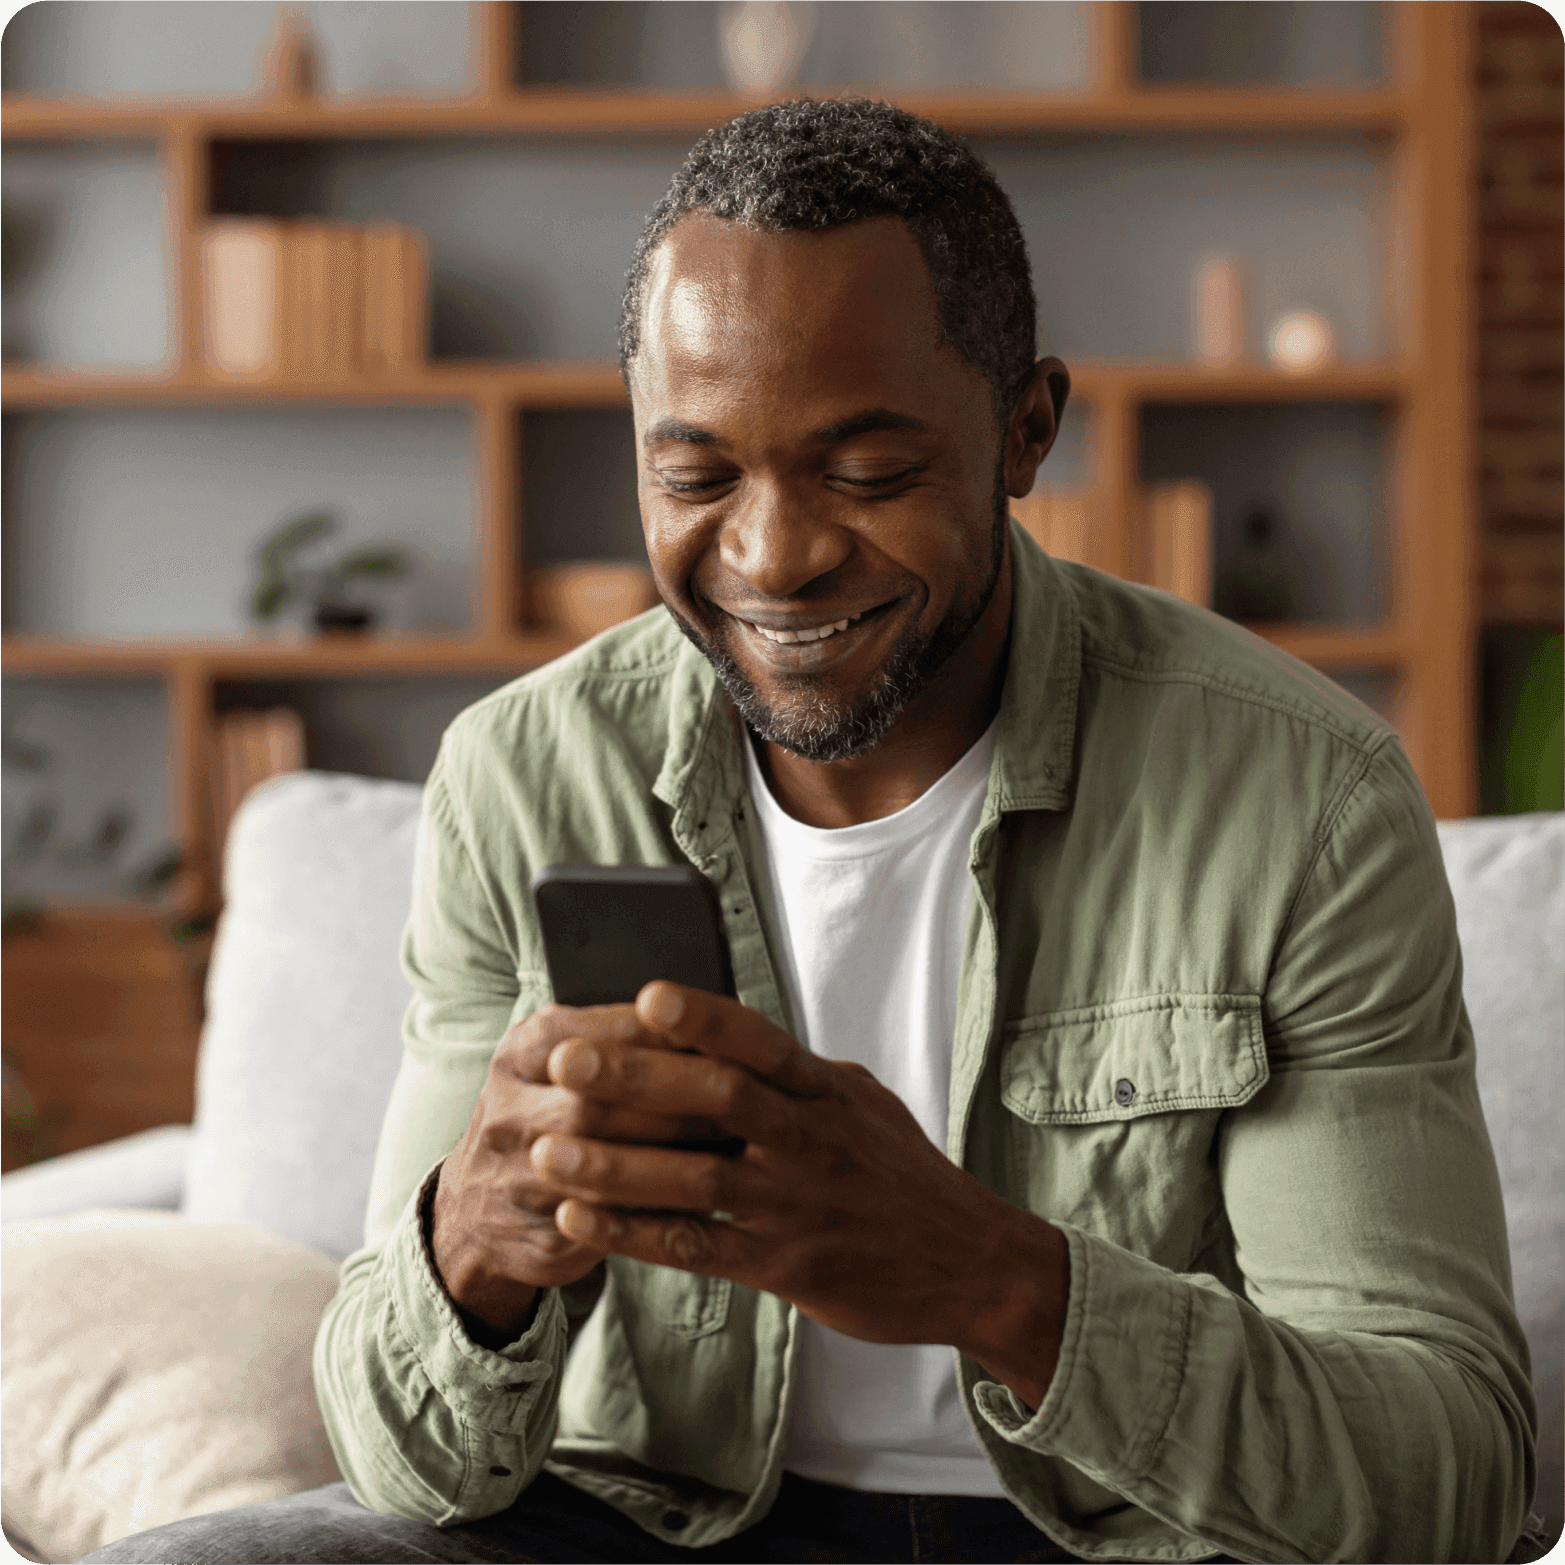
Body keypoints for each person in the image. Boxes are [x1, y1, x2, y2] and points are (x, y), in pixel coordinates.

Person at [83, 97, 1534, 1565]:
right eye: (696, 476)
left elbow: (1449, 1478)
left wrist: (993, 1281)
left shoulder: (1300, 796)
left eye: (866, 473)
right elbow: (405, 1470)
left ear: (1026, 430)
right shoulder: (523, 775)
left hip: (1128, 1536)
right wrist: (472, 1249)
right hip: (656, 1524)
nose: (771, 557)